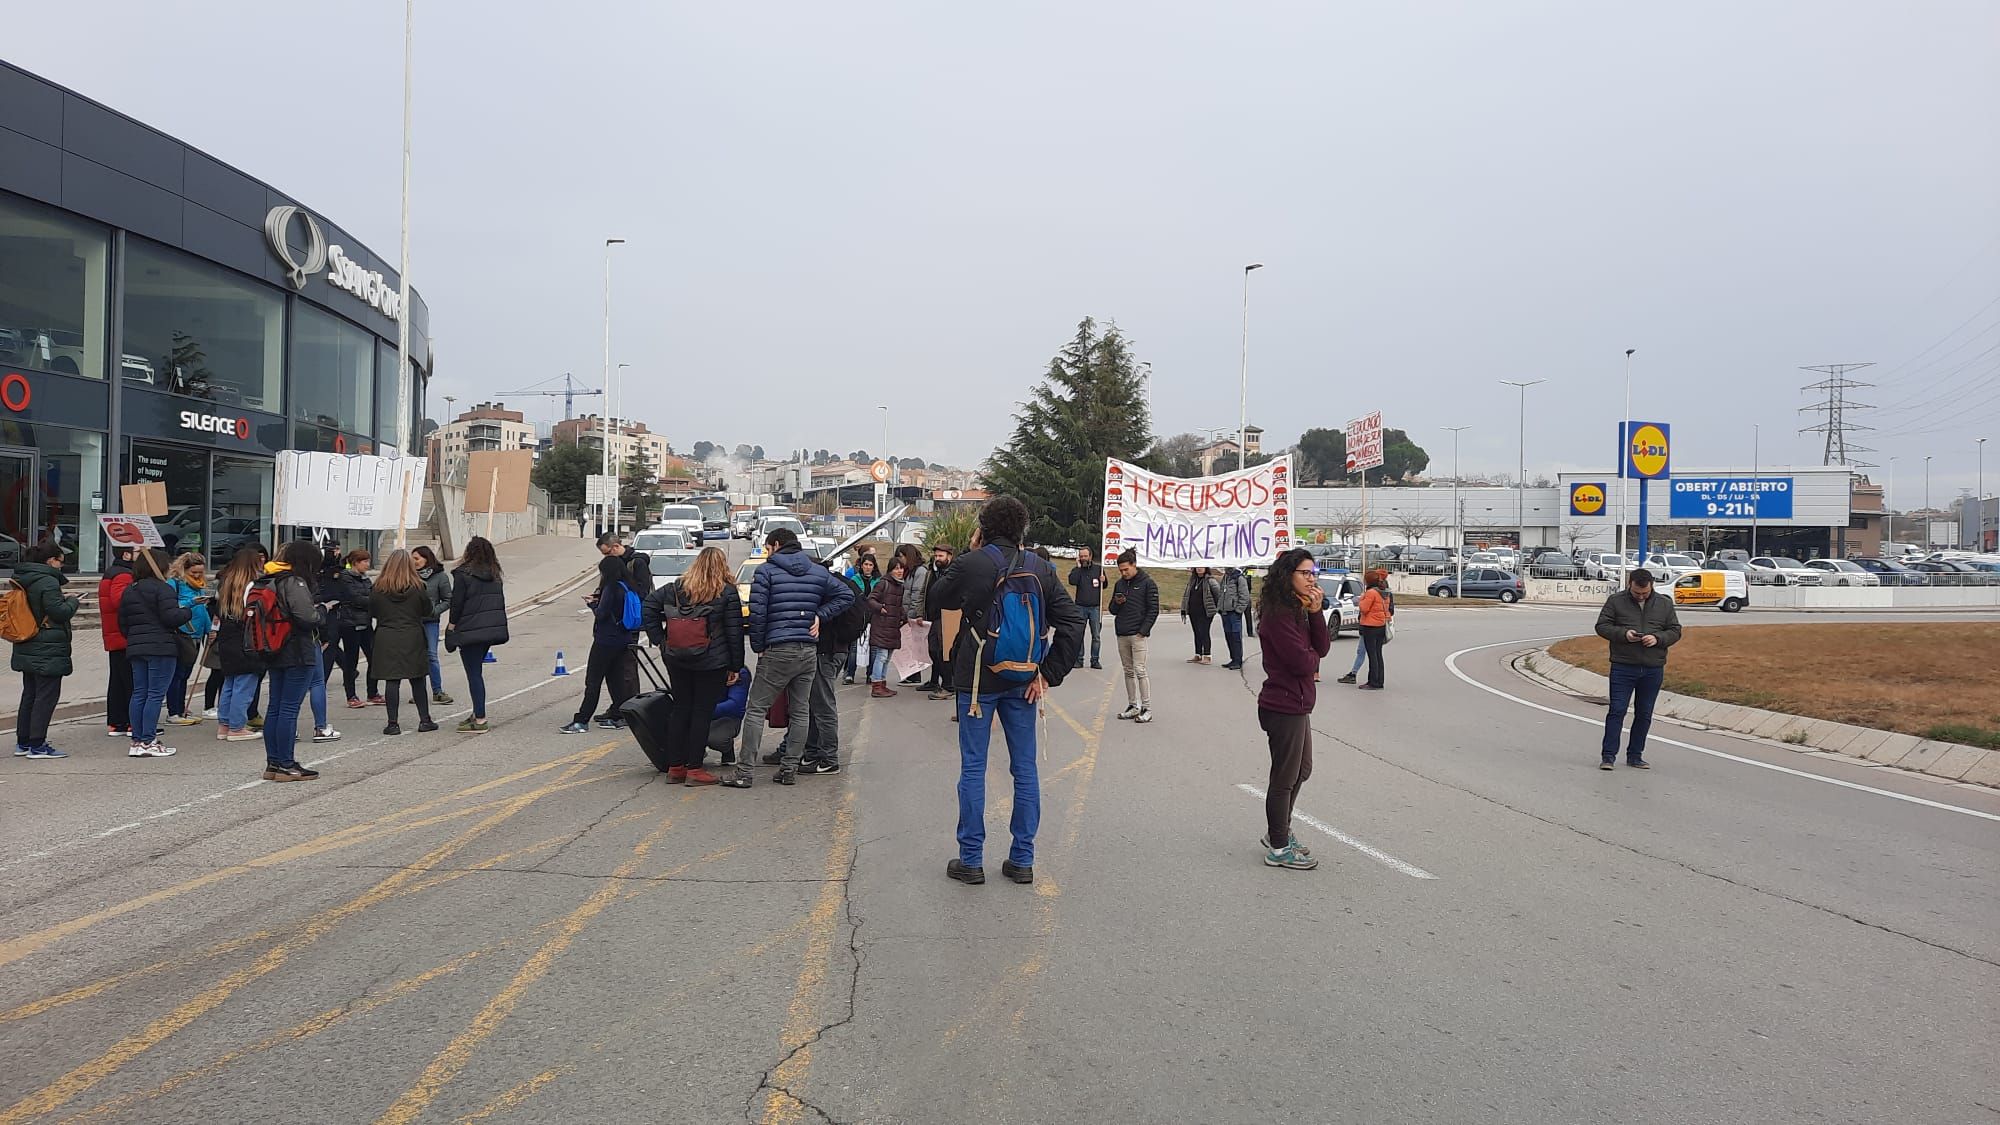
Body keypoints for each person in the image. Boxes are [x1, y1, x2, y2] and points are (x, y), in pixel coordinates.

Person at [931, 495, 1084, 886]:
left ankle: (971, 859)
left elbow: (937, 601)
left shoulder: (973, 561)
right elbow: (1073, 623)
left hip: (978, 680)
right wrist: (1048, 673)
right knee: (1025, 769)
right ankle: (1022, 859)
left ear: (983, 527)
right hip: (1023, 680)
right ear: (1022, 530)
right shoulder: (1043, 569)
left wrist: (971, 553)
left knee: (973, 767)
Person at [724, 527, 855, 788]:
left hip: (778, 647)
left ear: (774, 545)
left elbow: (758, 613)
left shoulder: (766, 571)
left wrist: (759, 645)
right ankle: (789, 769)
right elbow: (846, 595)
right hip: (808, 649)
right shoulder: (817, 571)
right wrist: (820, 615)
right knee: (800, 709)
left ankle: (744, 772)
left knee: (756, 708)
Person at [1255, 548, 1331, 870]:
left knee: (1303, 770)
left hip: (1298, 702)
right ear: (1288, 576)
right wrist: (1311, 659)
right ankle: (1278, 846)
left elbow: (1322, 648)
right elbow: (1303, 662)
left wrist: (1316, 612)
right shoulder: (1278, 615)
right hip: (1283, 704)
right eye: (1305, 573)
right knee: (1284, 779)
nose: (1312, 579)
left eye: (1313, 573)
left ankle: (1279, 832)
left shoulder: (1299, 609)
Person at [642, 545, 742, 786]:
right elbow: (734, 631)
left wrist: (660, 640)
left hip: (677, 658)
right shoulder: (726, 592)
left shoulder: (675, 589)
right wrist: (735, 665)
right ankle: (695, 768)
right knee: (701, 713)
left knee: (681, 709)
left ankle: (676, 767)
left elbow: (648, 607)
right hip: (712, 660)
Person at [254, 541, 328, 780]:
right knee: (289, 708)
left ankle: (273, 763)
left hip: (274, 647)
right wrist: (322, 612)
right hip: (296, 648)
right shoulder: (294, 582)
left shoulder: (270, 579)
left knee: (275, 706)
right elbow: (307, 616)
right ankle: (286, 762)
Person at [1594, 567, 1681, 769]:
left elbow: (1675, 631)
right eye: (1636, 593)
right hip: (1623, 666)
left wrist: (1658, 638)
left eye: (1645, 592)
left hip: (1653, 668)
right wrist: (1625, 635)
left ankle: (1635, 755)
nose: (1641, 596)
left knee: (1644, 713)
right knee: (1617, 710)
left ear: (1652, 586)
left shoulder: (1664, 604)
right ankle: (1608, 756)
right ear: (1629, 585)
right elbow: (1602, 626)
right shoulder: (1616, 601)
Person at [800, 557, 871, 775]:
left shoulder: (823, 586)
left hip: (827, 650)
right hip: (838, 648)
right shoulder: (839, 581)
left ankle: (829, 757)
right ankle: (812, 752)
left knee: (822, 705)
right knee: (816, 703)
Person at [118, 548, 191, 759]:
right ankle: (149, 740)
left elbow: (123, 622)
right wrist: (187, 611)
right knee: (155, 694)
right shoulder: (163, 589)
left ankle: (138, 740)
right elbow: (171, 618)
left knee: (139, 692)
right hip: (160, 646)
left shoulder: (130, 590)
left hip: (136, 646)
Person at [10, 540, 81, 759]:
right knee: (46, 696)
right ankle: (38, 744)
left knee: (30, 694)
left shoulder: (24, 578)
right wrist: (72, 601)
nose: (61, 566)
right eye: (61, 562)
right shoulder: (47, 582)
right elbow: (58, 612)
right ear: (51, 561)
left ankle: (23, 742)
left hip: (27, 641)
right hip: (47, 645)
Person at [562, 554, 640, 733]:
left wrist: (592, 605)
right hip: (624, 638)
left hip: (606, 640)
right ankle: (619, 716)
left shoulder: (611, 588)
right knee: (615, 680)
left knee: (593, 680)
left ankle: (582, 720)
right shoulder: (628, 586)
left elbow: (602, 614)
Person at [368, 550, 438, 736]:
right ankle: (425, 719)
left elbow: (372, 611)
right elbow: (428, 610)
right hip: (412, 633)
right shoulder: (418, 587)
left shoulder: (378, 588)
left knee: (392, 680)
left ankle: (393, 723)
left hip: (387, 634)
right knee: (417, 678)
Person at [447, 537, 508, 733]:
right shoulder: (494, 575)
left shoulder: (463, 574)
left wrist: (451, 625)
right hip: (489, 630)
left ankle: (480, 718)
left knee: (473, 674)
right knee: (476, 671)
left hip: (470, 629)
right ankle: (476, 713)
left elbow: (456, 603)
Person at [211, 546, 267, 744]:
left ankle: (224, 724)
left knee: (230, 683)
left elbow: (216, 608)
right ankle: (237, 726)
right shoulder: (253, 585)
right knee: (244, 684)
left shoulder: (225, 583)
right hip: (246, 637)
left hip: (227, 635)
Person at [163, 552, 212, 727]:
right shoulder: (174, 584)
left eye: (200, 573)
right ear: (184, 570)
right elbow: (170, 608)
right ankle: (173, 711)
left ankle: (181, 707)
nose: (198, 576)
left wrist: (209, 629)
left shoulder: (198, 586)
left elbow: (203, 611)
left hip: (197, 633)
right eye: (194, 573)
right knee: (178, 674)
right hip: (182, 633)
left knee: (186, 674)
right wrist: (191, 602)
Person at [1110, 549, 1159, 722]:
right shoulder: (1119, 584)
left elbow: (1153, 610)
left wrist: (1143, 631)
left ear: (1134, 565)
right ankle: (1133, 705)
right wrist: (1117, 602)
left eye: (1126, 569)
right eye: (1121, 570)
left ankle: (1147, 708)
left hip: (1138, 634)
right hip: (1122, 632)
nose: (1123, 573)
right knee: (1128, 671)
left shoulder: (1148, 583)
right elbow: (1112, 610)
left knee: (1140, 670)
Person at [97, 546, 136, 738]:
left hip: (116, 634)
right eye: (138, 551)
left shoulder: (112, 573)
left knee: (118, 680)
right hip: (124, 634)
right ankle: (129, 722)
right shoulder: (123, 575)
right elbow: (121, 601)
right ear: (127, 554)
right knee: (129, 680)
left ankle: (117, 721)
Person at [413, 545, 453, 704]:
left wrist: (434, 611)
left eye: (416, 558)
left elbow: (448, 599)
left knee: (431, 655)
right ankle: (418, 691)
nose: (413, 562)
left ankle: (437, 690)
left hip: (430, 622)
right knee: (415, 657)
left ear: (426, 558)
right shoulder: (410, 576)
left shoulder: (440, 577)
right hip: (412, 621)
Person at [867, 554, 908, 698]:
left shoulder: (899, 586)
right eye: (896, 568)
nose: (899, 571)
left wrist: (904, 617)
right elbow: (871, 599)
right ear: (890, 570)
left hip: (892, 626)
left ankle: (882, 684)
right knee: (882, 656)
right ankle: (876, 684)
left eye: (901, 568)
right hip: (882, 626)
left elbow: (898, 605)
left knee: (887, 657)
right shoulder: (883, 583)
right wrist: (880, 608)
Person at [921, 543, 958, 700]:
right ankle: (938, 681)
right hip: (933, 616)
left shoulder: (953, 573)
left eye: (941, 556)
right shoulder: (933, 573)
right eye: (936, 556)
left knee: (943, 651)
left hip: (948, 616)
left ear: (949, 556)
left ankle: (949, 685)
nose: (937, 559)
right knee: (933, 650)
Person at [892, 544, 928, 685]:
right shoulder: (909, 572)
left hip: (912, 615)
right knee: (909, 645)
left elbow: (917, 594)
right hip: (906, 614)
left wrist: (910, 615)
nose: (900, 560)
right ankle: (912, 674)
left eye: (901, 557)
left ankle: (915, 674)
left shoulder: (919, 572)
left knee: (915, 646)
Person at [843, 554, 881, 685]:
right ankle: (850, 673)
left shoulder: (879, 581)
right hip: (858, 616)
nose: (868, 567)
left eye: (870, 565)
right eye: (866, 564)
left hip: (873, 617)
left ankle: (870, 674)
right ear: (861, 565)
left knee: (873, 646)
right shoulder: (854, 579)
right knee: (854, 646)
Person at [1066, 546, 1106, 670]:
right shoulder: (1077, 570)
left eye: (1085, 556)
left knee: (1096, 636)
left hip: (1095, 607)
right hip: (1080, 607)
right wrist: (1078, 567)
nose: (1083, 558)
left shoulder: (1099, 569)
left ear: (1090, 556)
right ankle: (1079, 659)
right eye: (1081, 556)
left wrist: (1103, 581)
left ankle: (1095, 660)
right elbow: (1072, 581)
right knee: (1079, 634)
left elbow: (1104, 586)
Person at [706, 665, 751, 766]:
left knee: (716, 739)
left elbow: (736, 705)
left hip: (726, 717)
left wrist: (703, 711)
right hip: (699, 711)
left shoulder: (740, 671)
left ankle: (727, 750)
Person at [1356, 569, 1392, 690]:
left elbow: (1364, 608)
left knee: (1372, 655)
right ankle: (1379, 680)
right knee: (1378, 654)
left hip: (1370, 626)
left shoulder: (1371, 593)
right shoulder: (1385, 592)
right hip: (1381, 625)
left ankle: (1373, 682)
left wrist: (1361, 599)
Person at [1182, 566, 1222, 665]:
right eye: (1197, 567)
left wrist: (1218, 608)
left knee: (1204, 632)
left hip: (1205, 612)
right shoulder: (1192, 580)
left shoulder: (1210, 581)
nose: (1199, 569)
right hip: (1193, 611)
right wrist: (1184, 609)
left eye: (1201, 567)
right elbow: (1186, 595)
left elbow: (1218, 595)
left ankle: (1207, 655)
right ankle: (1198, 654)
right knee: (1196, 633)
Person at [1218, 566, 1252, 670]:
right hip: (1224, 612)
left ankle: (1238, 661)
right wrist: (1219, 607)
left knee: (1236, 636)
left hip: (1234, 613)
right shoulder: (1225, 578)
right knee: (1228, 636)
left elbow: (1245, 596)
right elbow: (1221, 594)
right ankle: (1233, 659)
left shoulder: (1239, 578)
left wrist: (1238, 610)